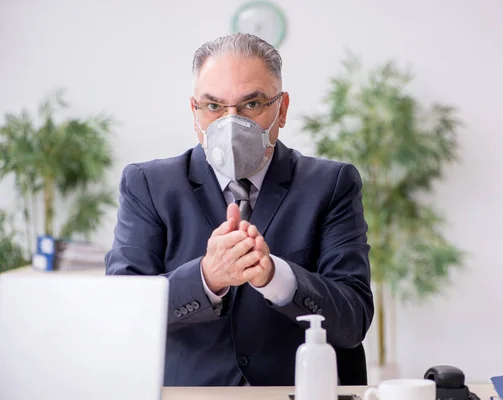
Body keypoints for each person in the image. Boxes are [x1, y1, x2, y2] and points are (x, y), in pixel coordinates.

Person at [105, 33, 374, 387]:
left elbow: (353, 321)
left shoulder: (331, 184)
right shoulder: (149, 185)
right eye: (214, 106)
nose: (231, 124)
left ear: (282, 108)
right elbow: (123, 313)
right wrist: (207, 277)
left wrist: (275, 276)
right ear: (195, 112)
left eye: (252, 104)